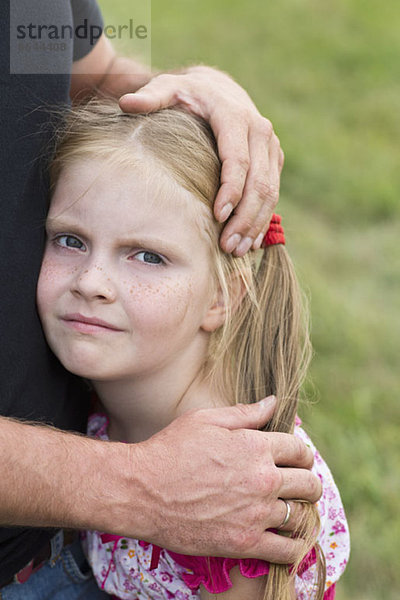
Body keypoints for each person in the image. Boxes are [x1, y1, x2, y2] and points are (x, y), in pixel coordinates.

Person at [35, 102, 350, 600]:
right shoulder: (97, 394)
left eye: (148, 256)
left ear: (221, 297)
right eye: (70, 240)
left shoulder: (235, 494)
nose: (91, 282)